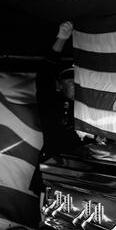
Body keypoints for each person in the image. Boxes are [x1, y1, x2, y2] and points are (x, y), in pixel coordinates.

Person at [35, 21, 82, 159]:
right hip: (57, 162)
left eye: (78, 81)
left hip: (89, 167)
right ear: (59, 86)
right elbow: (45, 74)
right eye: (70, 81)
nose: (75, 84)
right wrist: (61, 39)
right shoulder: (51, 103)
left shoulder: (88, 105)